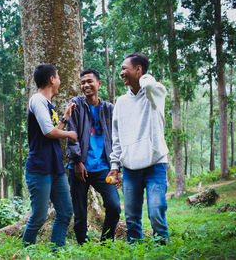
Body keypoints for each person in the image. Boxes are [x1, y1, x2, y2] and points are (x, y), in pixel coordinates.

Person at [108, 53, 169, 244]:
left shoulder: (155, 95)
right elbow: (116, 137)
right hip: (131, 169)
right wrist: (115, 165)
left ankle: (162, 247)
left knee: (156, 211)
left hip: (155, 165)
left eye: (124, 68)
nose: (121, 73)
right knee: (131, 217)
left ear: (139, 70)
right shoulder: (121, 102)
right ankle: (136, 251)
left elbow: (150, 85)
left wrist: (143, 78)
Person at [22, 63, 77, 248]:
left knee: (65, 211)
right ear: (51, 79)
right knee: (39, 216)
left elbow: (52, 130)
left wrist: (65, 118)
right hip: (39, 168)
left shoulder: (48, 105)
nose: (60, 81)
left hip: (55, 167)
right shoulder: (37, 100)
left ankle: (56, 251)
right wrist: (70, 134)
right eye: (58, 76)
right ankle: (25, 251)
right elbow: (47, 132)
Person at [65, 68, 120, 245]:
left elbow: (118, 137)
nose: (86, 85)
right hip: (79, 168)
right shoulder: (76, 105)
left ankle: (105, 243)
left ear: (99, 84)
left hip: (104, 168)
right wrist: (77, 162)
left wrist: (117, 166)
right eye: (82, 82)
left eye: (89, 81)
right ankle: (83, 245)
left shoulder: (109, 109)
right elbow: (71, 133)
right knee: (79, 211)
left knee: (114, 206)